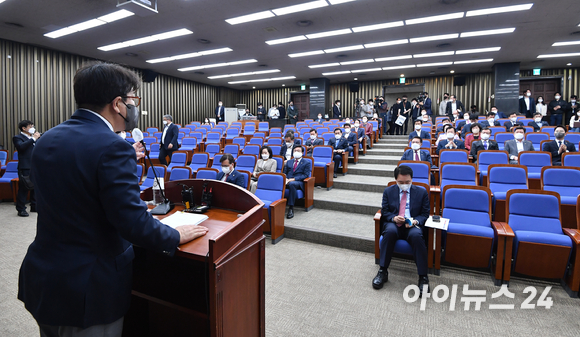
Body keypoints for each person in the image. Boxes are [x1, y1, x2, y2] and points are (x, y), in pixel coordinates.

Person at [18, 62, 208, 336]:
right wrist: (175, 235)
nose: (135, 108)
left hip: (44, 278)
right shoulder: (114, 147)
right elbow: (132, 224)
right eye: (134, 100)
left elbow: (72, 194)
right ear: (118, 104)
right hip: (88, 288)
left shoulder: (48, 138)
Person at [373, 165, 430, 295]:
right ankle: (383, 271)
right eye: (401, 182)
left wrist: (415, 221)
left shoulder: (421, 192)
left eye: (407, 182)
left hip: (412, 224)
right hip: (395, 223)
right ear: (395, 180)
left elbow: (425, 214)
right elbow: (385, 211)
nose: (404, 185)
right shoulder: (389, 191)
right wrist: (393, 218)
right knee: (390, 232)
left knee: (417, 236)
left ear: (412, 179)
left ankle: (423, 277)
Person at [12, 120, 40, 217]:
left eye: (33, 125)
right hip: (25, 166)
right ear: (24, 128)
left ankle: (34, 206)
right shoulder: (17, 137)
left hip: (35, 165)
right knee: (24, 188)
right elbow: (21, 147)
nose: (32, 127)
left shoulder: (35, 138)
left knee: (35, 187)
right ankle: (21, 209)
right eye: (30, 126)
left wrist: (36, 138)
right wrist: (33, 139)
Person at [283, 146, 311, 219]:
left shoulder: (306, 163)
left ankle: (291, 208)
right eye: (295, 150)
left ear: (302, 153)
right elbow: (284, 173)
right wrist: (285, 178)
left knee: (292, 184)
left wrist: (294, 179)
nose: (296, 152)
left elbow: (305, 175)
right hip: (287, 181)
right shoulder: (289, 162)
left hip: (298, 182)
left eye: (298, 151)